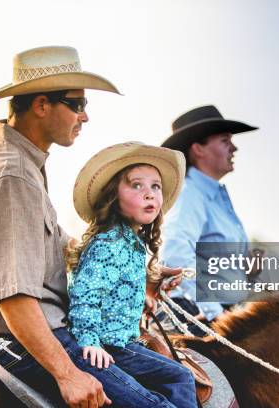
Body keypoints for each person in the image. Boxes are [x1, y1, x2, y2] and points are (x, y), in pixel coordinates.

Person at [0, 46, 182, 408]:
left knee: (173, 374)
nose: (85, 116)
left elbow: (63, 248)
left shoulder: (23, 165)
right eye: (77, 104)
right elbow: (14, 295)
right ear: (41, 105)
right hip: (13, 341)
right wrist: (67, 374)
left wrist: (135, 268)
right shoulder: (12, 175)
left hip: (14, 335)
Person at [66, 142, 196, 408]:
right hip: (109, 345)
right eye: (136, 185)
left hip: (124, 341)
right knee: (175, 383)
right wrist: (89, 341)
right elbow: (85, 295)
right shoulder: (110, 243)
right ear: (113, 197)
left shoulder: (133, 244)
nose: (149, 194)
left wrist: (144, 295)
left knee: (181, 375)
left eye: (155, 186)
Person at [160, 105, 259, 330]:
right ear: (198, 149)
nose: (234, 148)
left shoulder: (209, 196)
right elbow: (175, 254)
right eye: (225, 141)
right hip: (199, 315)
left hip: (220, 311)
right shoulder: (190, 194)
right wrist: (217, 316)